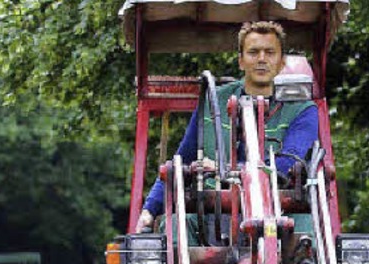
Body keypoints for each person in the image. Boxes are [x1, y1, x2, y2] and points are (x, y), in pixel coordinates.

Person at [134, 20, 318, 234]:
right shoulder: (213, 102)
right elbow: (181, 159)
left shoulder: (302, 109)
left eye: (270, 52)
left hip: (279, 209)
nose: (261, 59)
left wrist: (225, 169)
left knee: (307, 233)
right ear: (241, 61)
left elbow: (288, 162)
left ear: (281, 61)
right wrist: (149, 210)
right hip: (213, 210)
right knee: (175, 227)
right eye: (253, 52)